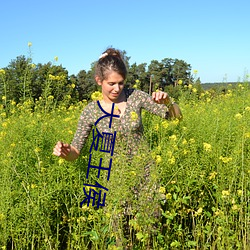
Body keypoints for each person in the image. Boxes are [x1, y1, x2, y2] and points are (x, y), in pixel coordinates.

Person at [53, 48, 182, 160]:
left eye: (121, 83)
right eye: (111, 84)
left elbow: (176, 118)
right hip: (115, 180)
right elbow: (75, 151)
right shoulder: (91, 110)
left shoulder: (135, 96)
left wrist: (168, 102)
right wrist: (66, 152)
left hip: (145, 173)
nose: (117, 89)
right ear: (99, 80)